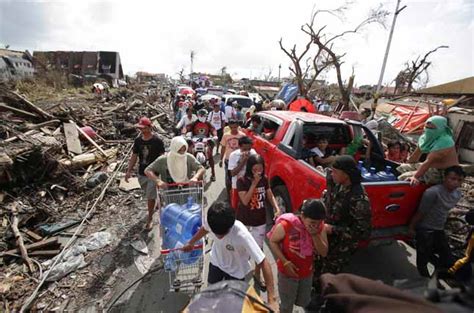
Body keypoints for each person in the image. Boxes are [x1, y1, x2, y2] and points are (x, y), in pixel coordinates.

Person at [183, 202, 278, 311]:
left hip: (236, 273)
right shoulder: (212, 220)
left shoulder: (242, 234)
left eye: (222, 234)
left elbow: (263, 262)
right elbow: (204, 229)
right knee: (211, 294)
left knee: (233, 305)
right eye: (216, 233)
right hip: (216, 263)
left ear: (230, 226)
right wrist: (191, 242)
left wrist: (272, 299)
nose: (218, 237)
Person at [313, 155, 371, 285]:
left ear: (347, 174)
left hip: (340, 247)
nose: (331, 174)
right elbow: (329, 199)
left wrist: (333, 229)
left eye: (335, 172)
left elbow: (363, 233)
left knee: (328, 277)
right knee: (316, 268)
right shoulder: (336, 183)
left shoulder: (358, 199)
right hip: (324, 238)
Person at [268, 199, 328, 313]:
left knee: (303, 301)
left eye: (318, 223)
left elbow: (324, 252)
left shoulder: (319, 228)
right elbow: (273, 241)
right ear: (303, 216)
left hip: (306, 273)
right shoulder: (287, 225)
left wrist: (315, 235)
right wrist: (285, 262)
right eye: (312, 223)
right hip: (287, 274)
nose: (315, 226)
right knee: (286, 306)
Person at [408, 166, 465, 277]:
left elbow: (445, 209)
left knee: (447, 259)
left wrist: (462, 212)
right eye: (452, 179)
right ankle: (426, 280)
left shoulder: (457, 194)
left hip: (439, 228)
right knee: (423, 260)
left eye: (459, 180)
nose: (455, 183)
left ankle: (437, 276)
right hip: (425, 229)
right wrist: (411, 227)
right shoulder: (432, 192)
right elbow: (421, 212)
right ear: (445, 177)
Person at [236, 154, 282, 291]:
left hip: (259, 220)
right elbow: (245, 201)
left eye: (260, 169)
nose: (258, 172)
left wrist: (277, 208)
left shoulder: (264, 179)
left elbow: (269, 194)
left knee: (258, 249)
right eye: (255, 169)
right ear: (250, 168)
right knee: (241, 246)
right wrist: (254, 184)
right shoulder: (242, 181)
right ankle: (240, 270)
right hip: (244, 219)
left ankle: (257, 273)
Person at [125, 117, 165, 231]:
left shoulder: (157, 141)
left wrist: (163, 172)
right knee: (148, 193)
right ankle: (158, 199)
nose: (141, 130)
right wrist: (129, 170)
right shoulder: (138, 141)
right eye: (140, 128)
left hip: (153, 173)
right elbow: (134, 156)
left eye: (143, 128)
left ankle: (150, 219)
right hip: (142, 172)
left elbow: (162, 158)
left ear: (149, 127)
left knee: (150, 197)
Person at [398, 116, 459, 186]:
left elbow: (428, 161)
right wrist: (408, 164)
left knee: (404, 177)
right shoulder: (425, 138)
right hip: (431, 167)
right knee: (401, 168)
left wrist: (415, 177)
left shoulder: (445, 141)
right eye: (427, 127)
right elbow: (416, 155)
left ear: (441, 128)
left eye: (432, 128)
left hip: (445, 172)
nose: (428, 130)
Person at [185, 109, 218, 181]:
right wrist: (183, 133)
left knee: (210, 155)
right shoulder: (194, 123)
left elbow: (213, 129)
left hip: (206, 141)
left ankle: (213, 173)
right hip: (194, 141)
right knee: (188, 153)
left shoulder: (208, 123)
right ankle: (188, 172)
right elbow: (187, 128)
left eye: (204, 115)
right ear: (198, 115)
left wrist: (215, 135)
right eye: (201, 115)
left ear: (206, 116)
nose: (202, 117)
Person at [227, 136, 257, 209]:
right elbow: (233, 173)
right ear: (239, 147)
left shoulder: (253, 153)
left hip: (249, 185)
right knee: (236, 207)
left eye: (249, 149)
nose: (247, 151)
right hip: (237, 185)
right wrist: (243, 161)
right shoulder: (233, 155)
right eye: (244, 149)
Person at [220, 120, 246, 196]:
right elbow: (223, 148)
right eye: (231, 127)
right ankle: (229, 194)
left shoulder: (242, 135)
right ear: (229, 127)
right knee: (228, 179)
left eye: (235, 127)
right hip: (228, 160)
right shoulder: (225, 135)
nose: (233, 129)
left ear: (238, 126)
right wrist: (221, 159)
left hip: (240, 160)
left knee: (240, 177)